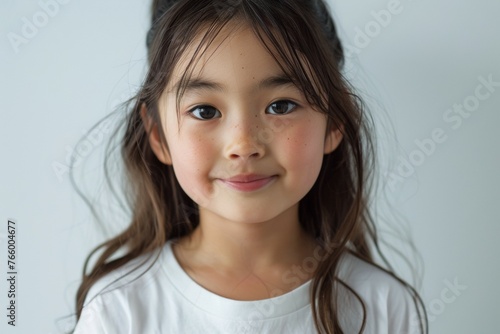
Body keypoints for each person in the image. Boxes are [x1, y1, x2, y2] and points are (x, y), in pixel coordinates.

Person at [72, 0, 428, 333]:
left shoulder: (382, 306)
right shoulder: (119, 311)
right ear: (158, 134)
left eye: (281, 106)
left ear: (334, 122)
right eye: (205, 111)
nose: (243, 145)